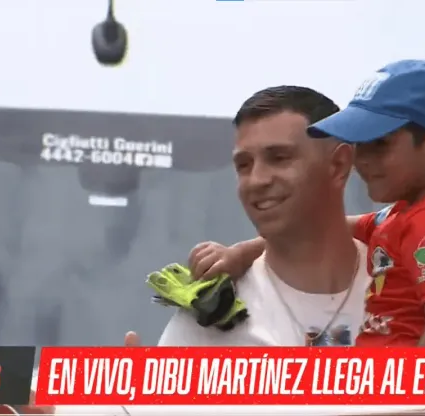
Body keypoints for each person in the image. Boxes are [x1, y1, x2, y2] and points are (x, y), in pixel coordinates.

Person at [190, 59, 425, 347]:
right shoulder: (418, 212)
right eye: (360, 144)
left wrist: (411, 405)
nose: (362, 159)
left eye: (380, 145)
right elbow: (343, 226)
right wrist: (242, 252)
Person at [142, 86, 371, 346]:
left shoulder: (410, 283)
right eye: (244, 165)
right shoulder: (210, 316)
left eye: (279, 158)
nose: (257, 180)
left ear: (338, 164)